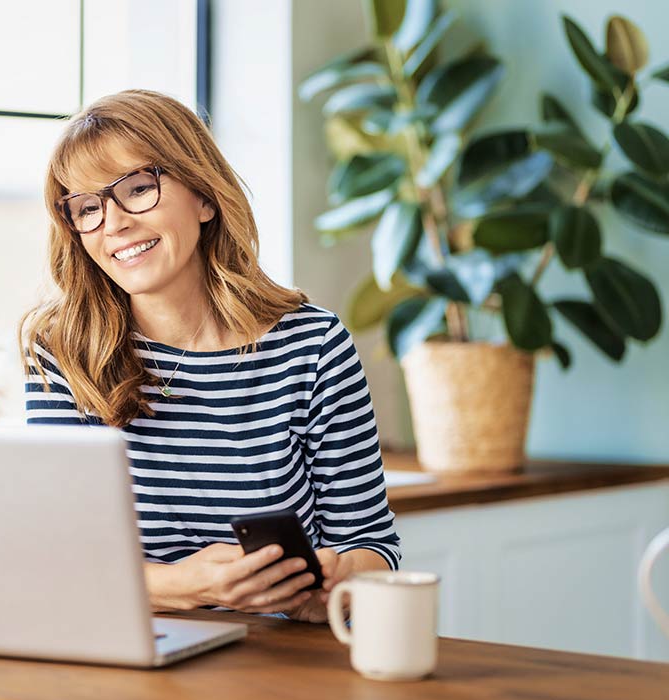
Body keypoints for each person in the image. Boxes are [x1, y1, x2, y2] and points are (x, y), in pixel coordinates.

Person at [20, 89, 399, 622]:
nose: (114, 223)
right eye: (87, 208)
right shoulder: (62, 352)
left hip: (281, 665)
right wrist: (192, 584)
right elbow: (60, 561)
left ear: (204, 196)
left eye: (136, 189)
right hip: (128, 652)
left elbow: (373, 545)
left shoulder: (312, 346)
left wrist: (339, 581)